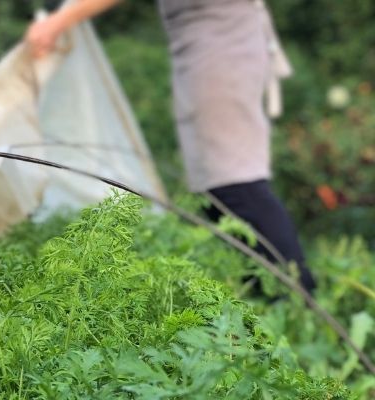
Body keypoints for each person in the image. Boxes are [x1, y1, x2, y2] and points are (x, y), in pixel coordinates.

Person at [25, 0, 316, 292]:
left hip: (222, 47)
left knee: (235, 186)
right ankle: (267, 300)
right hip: (212, 45)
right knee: (217, 190)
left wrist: (59, 22)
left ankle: (295, 298)